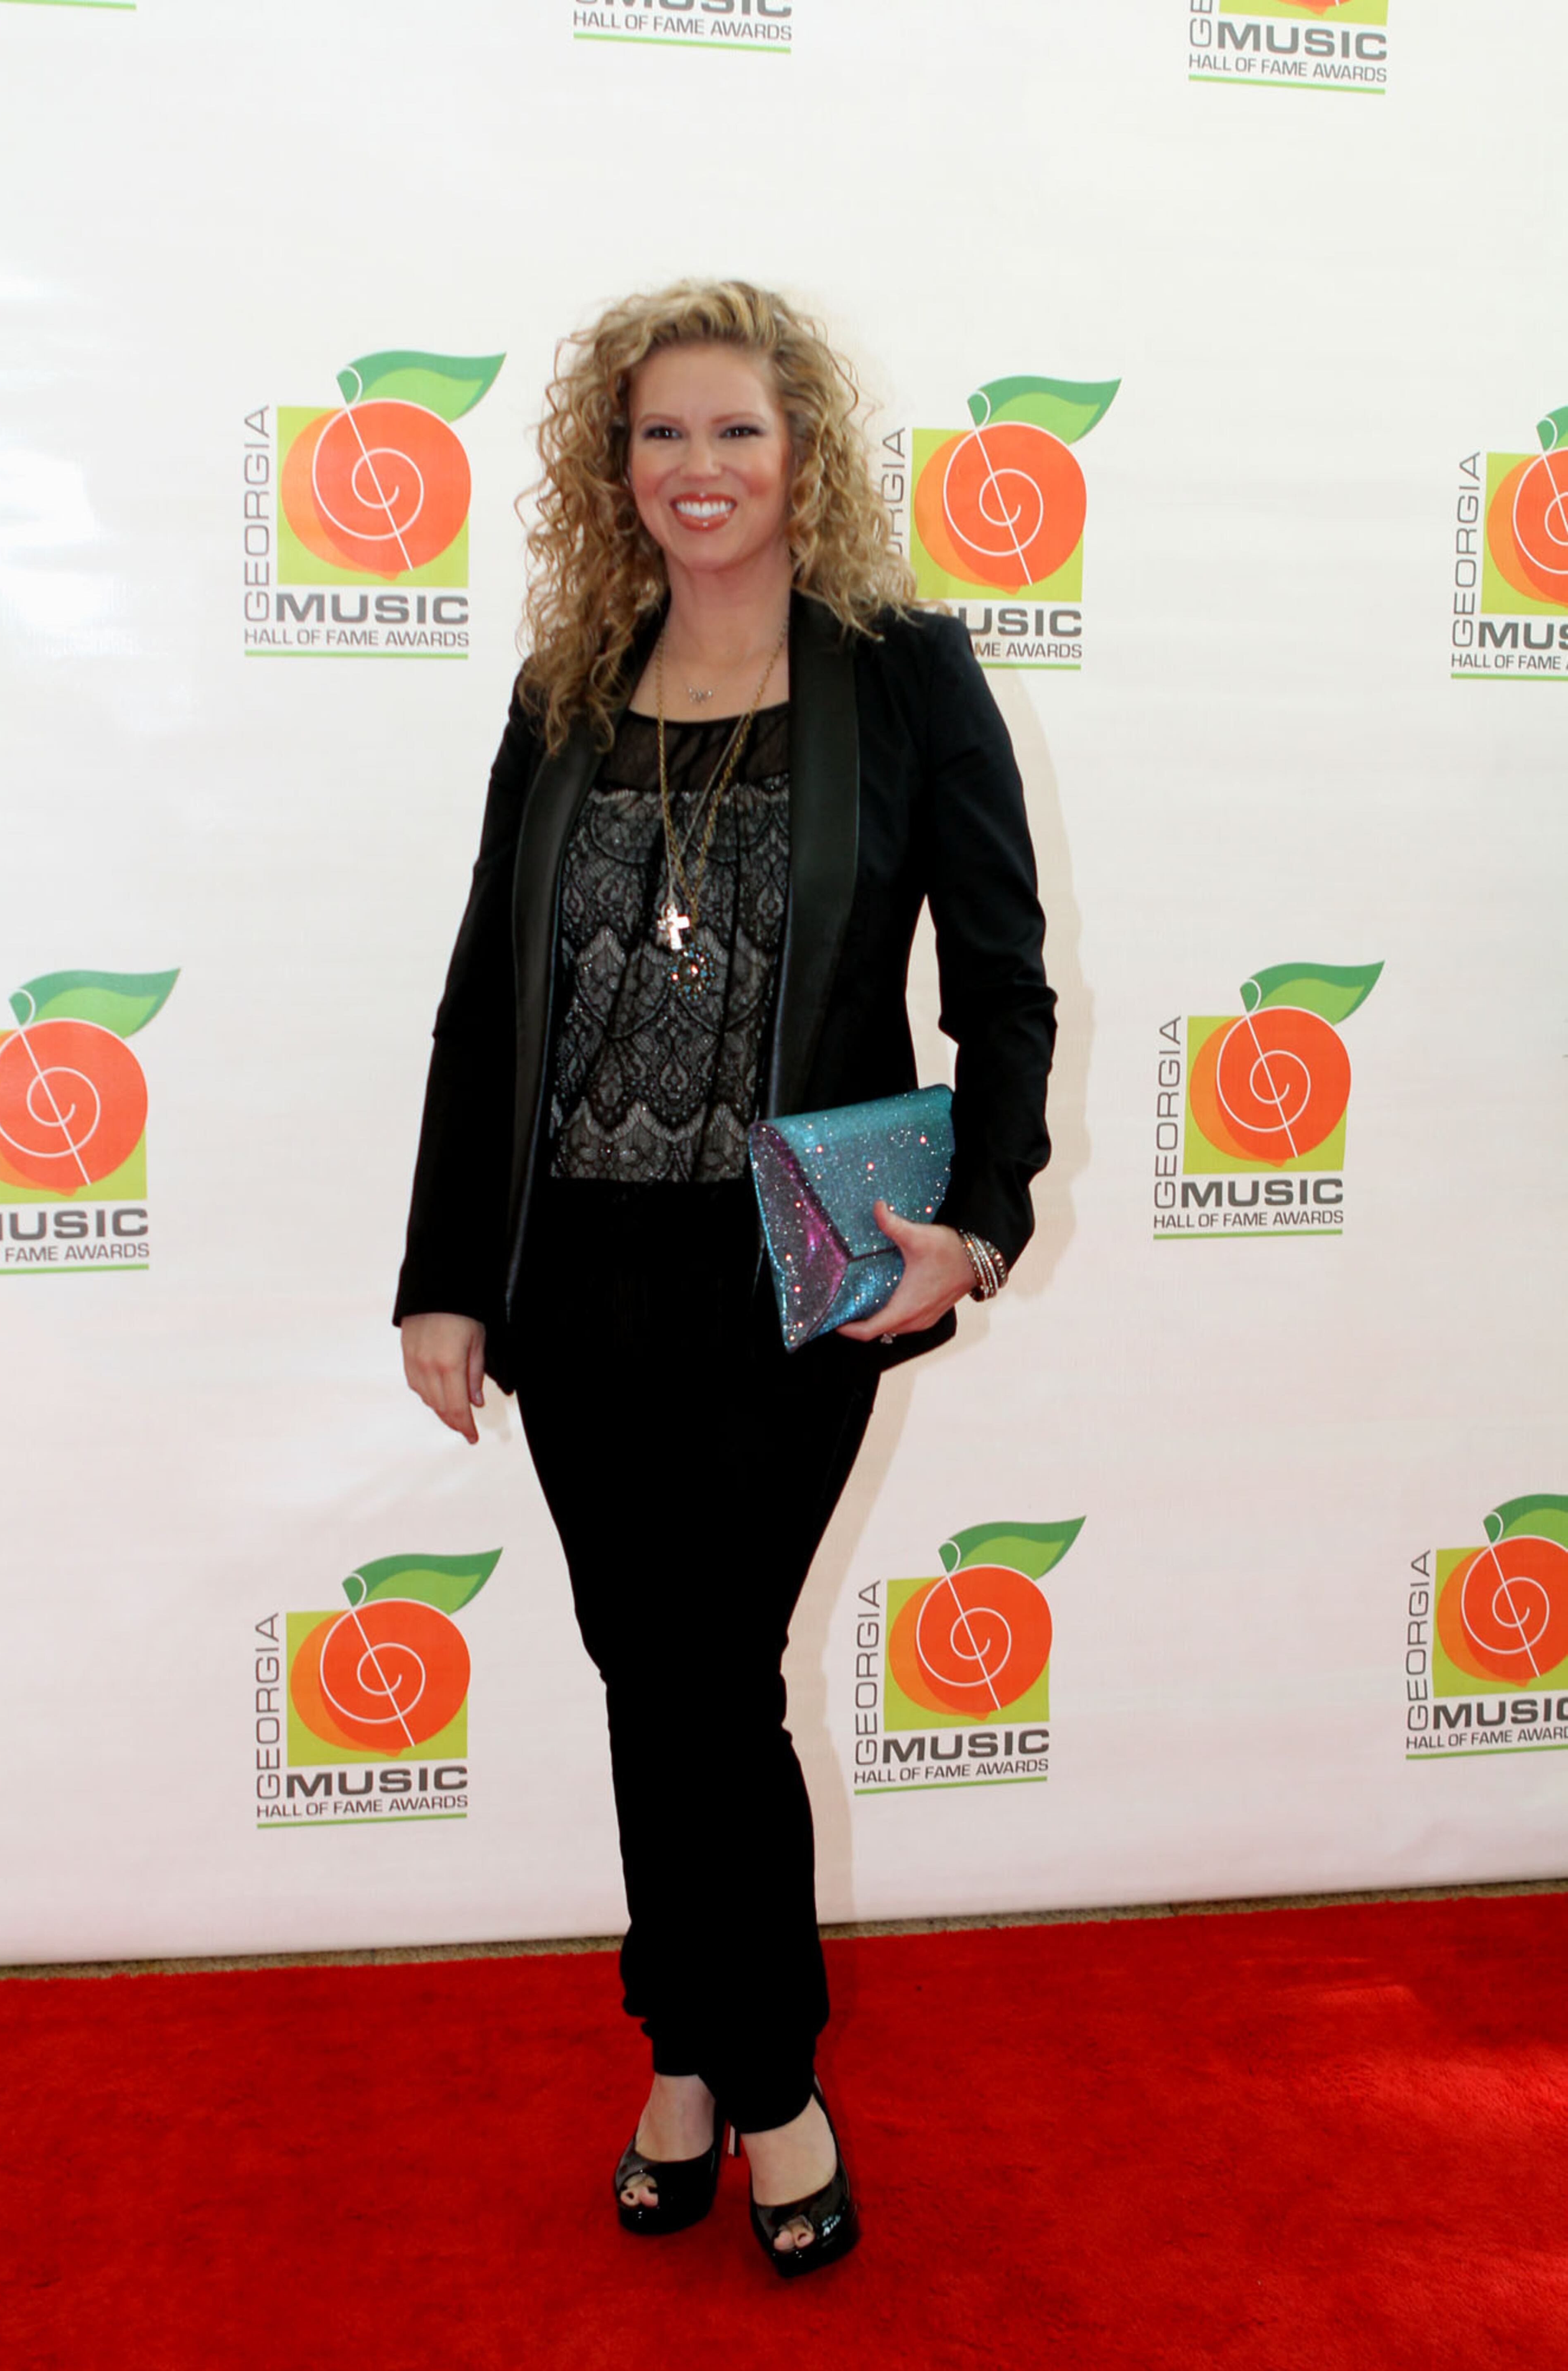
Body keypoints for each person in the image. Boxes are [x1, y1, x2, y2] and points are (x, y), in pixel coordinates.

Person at [394, 281, 1056, 2275]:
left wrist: (987, 1219)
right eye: (661, 435)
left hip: (796, 1269)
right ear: (617, 467)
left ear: (802, 457)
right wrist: (446, 1275)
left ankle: (758, 2078)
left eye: (737, 433)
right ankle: (693, 2053)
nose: (699, 470)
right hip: (579, 1269)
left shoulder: (907, 672)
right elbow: (477, 1005)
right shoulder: (568, 688)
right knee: (646, 1673)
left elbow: (1004, 973)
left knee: (709, 1677)